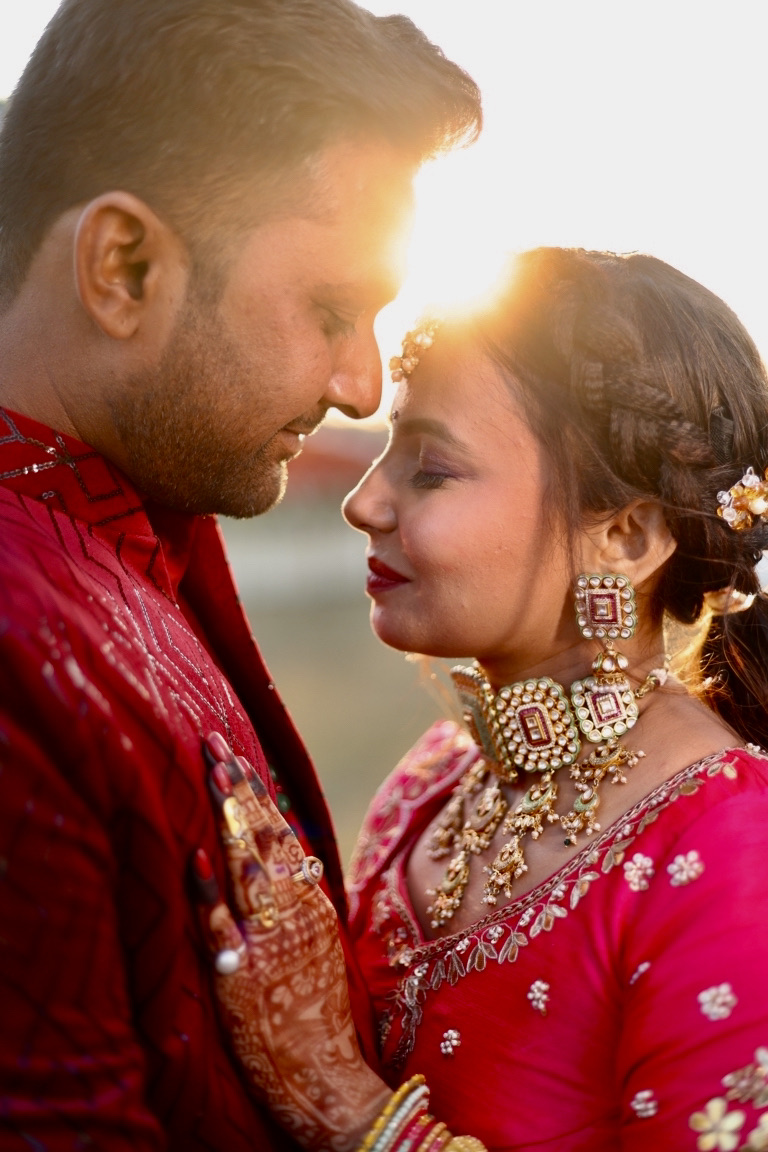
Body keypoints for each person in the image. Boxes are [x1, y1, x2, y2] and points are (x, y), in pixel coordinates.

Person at [0, 0, 482, 1147]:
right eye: (329, 308)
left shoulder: (144, 509)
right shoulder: (20, 638)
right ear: (123, 266)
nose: (363, 388)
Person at [198, 247, 768, 1151]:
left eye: (430, 470)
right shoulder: (435, 778)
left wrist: (352, 1111)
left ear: (625, 536)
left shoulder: (731, 848)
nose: (362, 501)